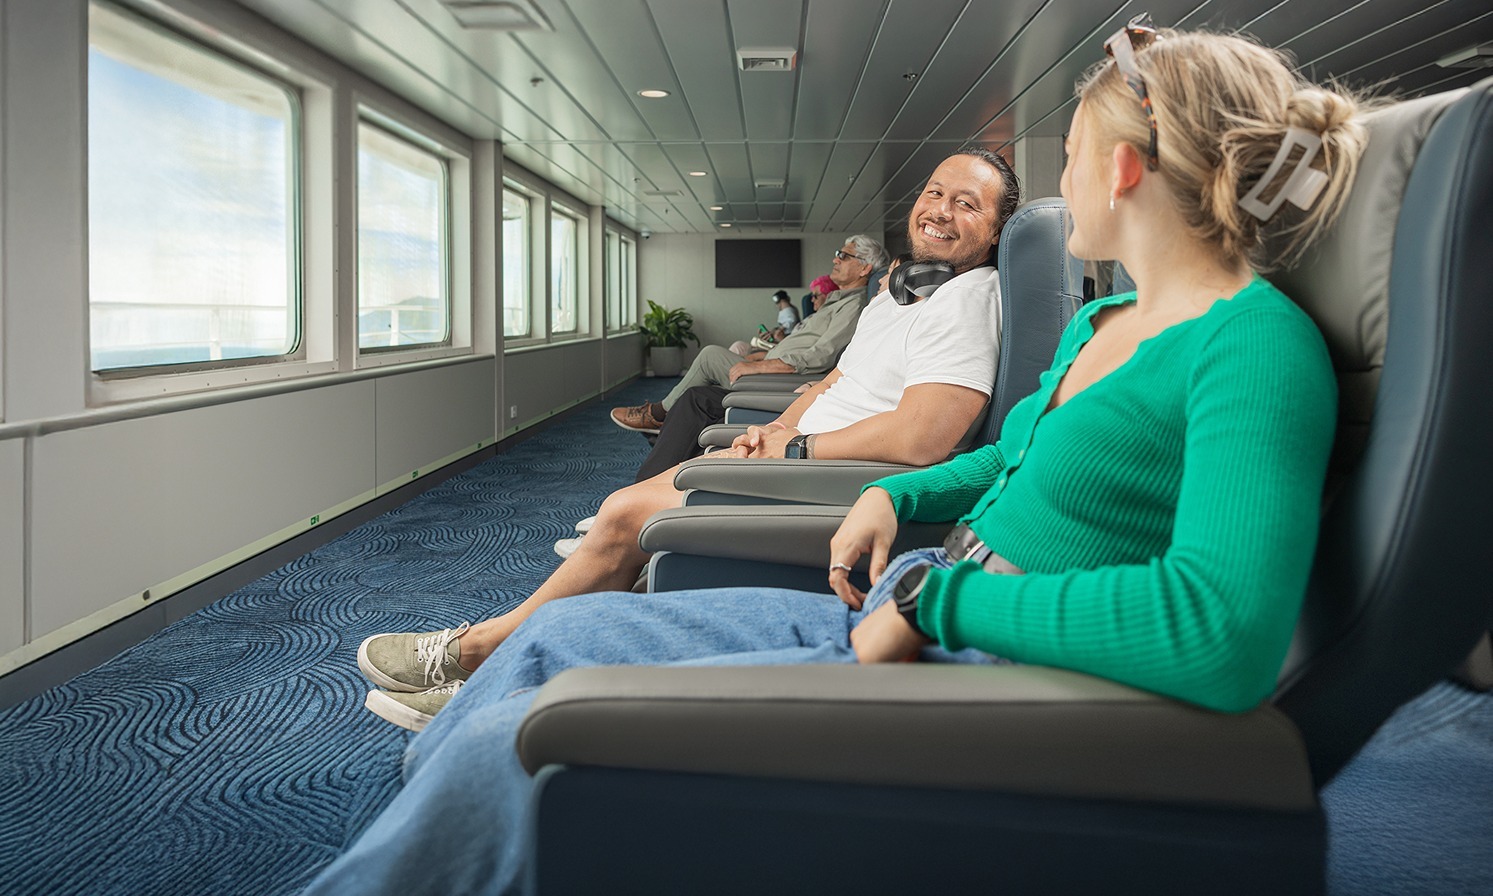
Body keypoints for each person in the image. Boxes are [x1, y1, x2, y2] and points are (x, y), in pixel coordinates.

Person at [304, 25, 1367, 896]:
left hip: (996, 667)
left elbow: (1217, 632)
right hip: (924, 599)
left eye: (1071, 153)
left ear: (1122, 169)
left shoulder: (1251, 345)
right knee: (554, 639)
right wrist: (897, 494)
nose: (1063, 180)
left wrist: (938, 603)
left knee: (523, 735)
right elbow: (1007, 459)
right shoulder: (1109, 321)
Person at [356, 148, 1021, 724]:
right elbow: (835, 381)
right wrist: (775, 429)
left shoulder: (968, 299)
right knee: (633, 508)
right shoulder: (900, 294)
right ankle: (519, 668)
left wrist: (798, 448)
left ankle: (479, 656)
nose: (940, 209)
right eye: (935, 192)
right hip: (800, 459)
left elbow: (923, 435)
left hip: (837, 482)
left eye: (966, 204)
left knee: (625, 514)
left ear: (994, 233)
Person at [633, 254, 912, 482]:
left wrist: (795, 438)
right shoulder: (868, 316)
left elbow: (822, 357)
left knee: (698, 396)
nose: (882, 281)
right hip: (796, 422)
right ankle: (657, 463)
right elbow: (831, 380)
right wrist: (777, 426)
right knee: (696, 406)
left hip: (796, 420)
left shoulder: (868, 314)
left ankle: (659, 427)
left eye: (890, 275)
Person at [610, 237, 885, 435]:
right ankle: (670, 416)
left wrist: (763, 365)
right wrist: (763, 356)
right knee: (712, 370)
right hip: (775, 368)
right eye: (838, 253)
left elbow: (821, 355)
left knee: (709, 356)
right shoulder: (837, 300)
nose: (835, 259)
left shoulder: (853, 306)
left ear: (864, 269)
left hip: (783, 380)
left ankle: (658, 414)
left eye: (844, 256)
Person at [727, 290, 801, 355]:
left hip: (782, 345)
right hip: (778, 343)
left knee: (738, 347)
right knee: (739, 346)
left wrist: (779, 333)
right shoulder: (789, 311)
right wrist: (772, 333)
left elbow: (790, 323)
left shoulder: (788, 310)